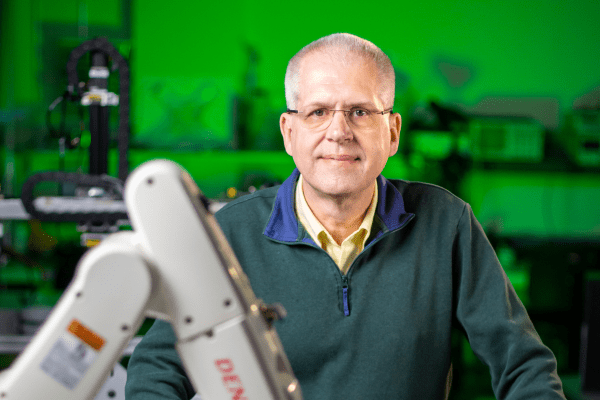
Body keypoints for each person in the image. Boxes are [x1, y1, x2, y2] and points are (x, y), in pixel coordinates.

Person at [125, 33, 565, 399]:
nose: (339, 131)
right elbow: (157, 367)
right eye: (318, 112)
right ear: (289, 132)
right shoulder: (229, 233)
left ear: (391, 133)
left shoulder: (445, 223)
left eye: (359, 111)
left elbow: (522, 365)